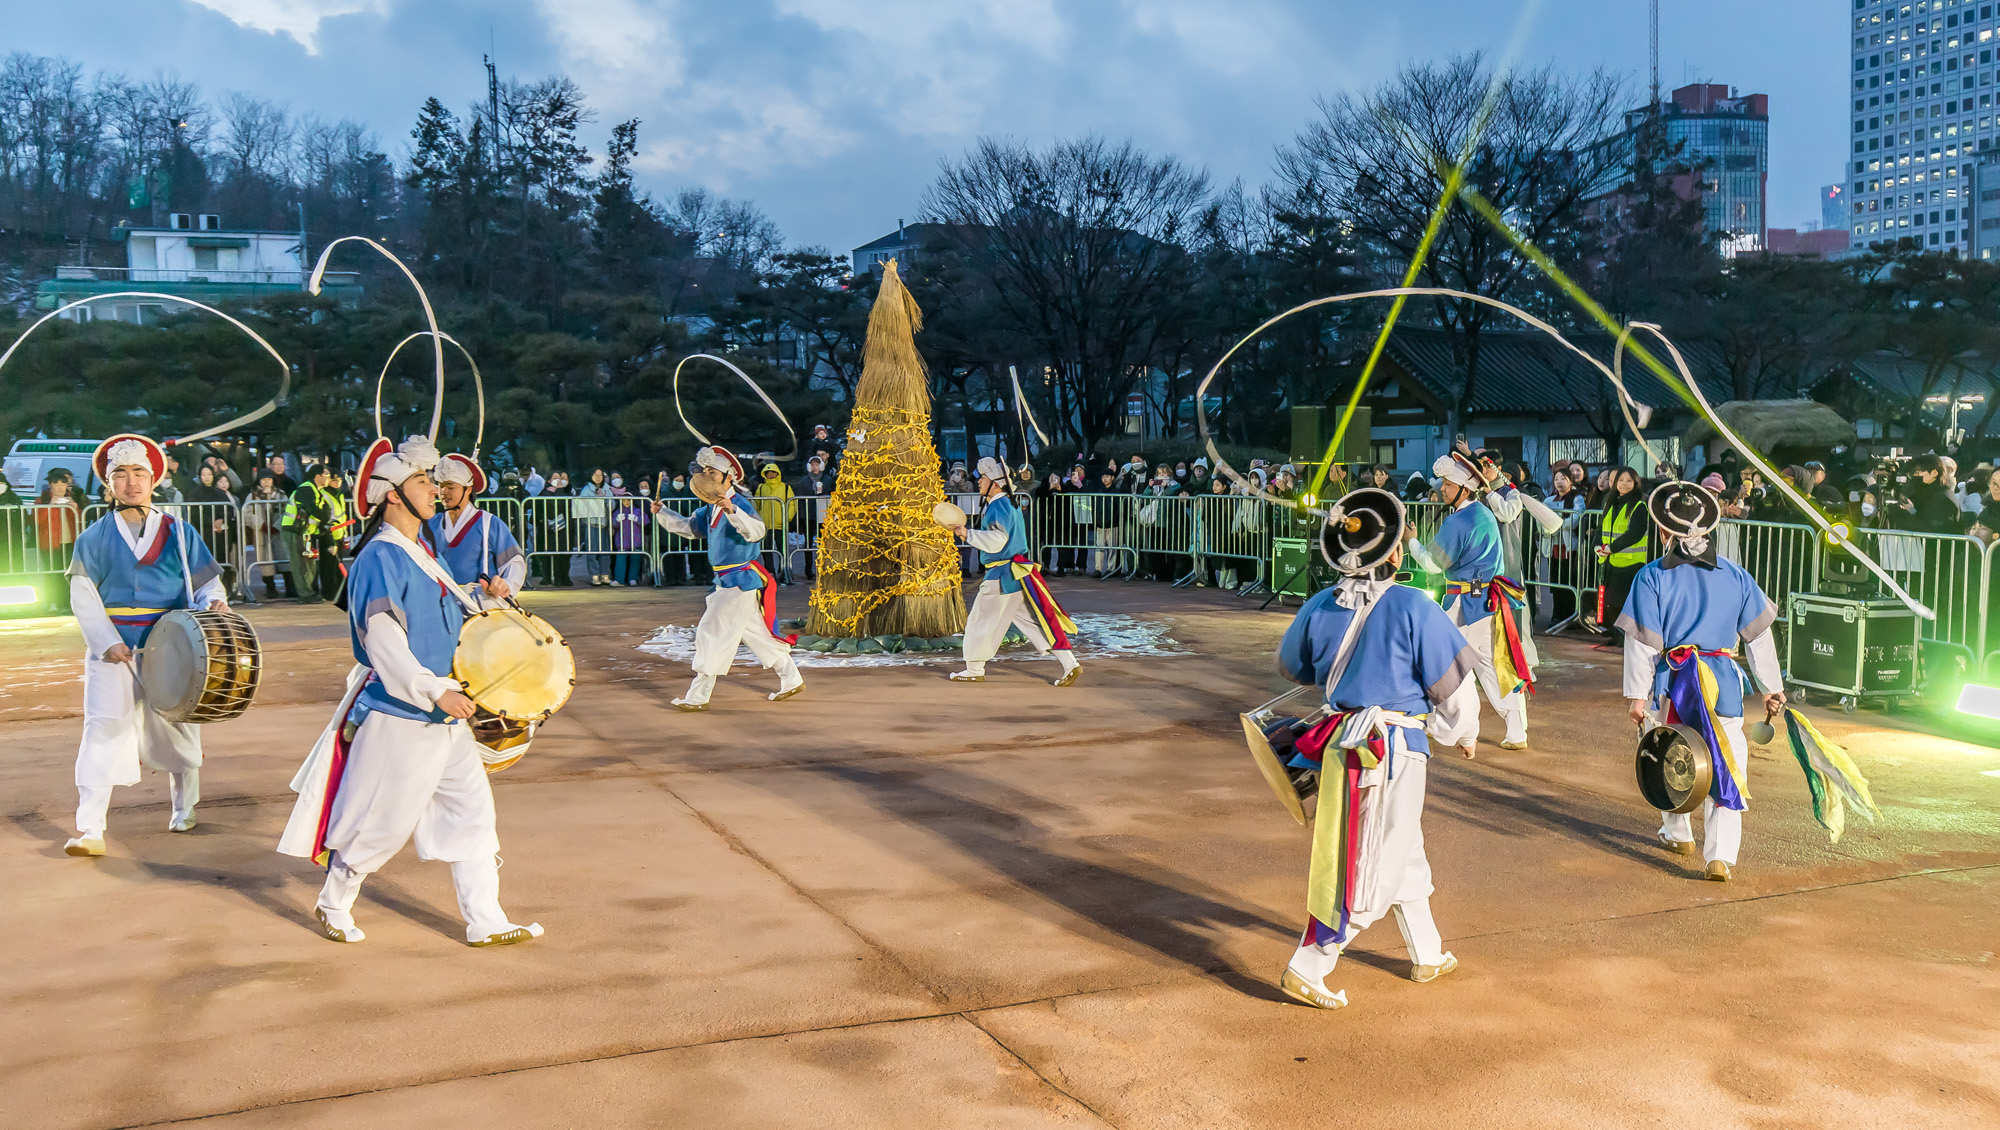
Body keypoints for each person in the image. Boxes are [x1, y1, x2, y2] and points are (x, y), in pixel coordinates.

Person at [278, 436, 542, 946]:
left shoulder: (422, 550)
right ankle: (333, 902)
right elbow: (383, 637)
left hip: (445, 715)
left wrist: (482, 605)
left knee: (473, 815)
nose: (434, 488)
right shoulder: (380, 555)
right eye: (423, 480)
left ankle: (486, 921)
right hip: (403, 713)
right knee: (381, 822)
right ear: (394, 494)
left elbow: (441, 615)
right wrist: (431, 689)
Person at [1270, 487, 1480, 1009]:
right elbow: (1454, 688)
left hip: (1342, 741)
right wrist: (1464, 734)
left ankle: (1427, 951)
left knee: (1399, 847)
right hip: (1390, 748)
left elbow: (1294, 665)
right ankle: (1311, 961)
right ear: (1395, 553)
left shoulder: (1321, 603)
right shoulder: (1413, 604)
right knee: (1372, 858)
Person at [61, 435, 229, 856]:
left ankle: (183, 805)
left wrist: (215, 601)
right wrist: (106, 642)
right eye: (121, 473)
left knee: (177, 723)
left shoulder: (180, 531)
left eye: (139, 473)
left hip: (172, 645)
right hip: (112, 651)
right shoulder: (94, 536)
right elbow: (83, 594)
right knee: (102, 728)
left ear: (154, 479)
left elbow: (207, 583)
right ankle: (90, 829)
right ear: (108, 483)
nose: (131, 481)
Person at [1616, 481, 1783, 883]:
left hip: (1674, 684)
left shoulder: (1651, 576)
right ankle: (1721, 856)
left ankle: (1678, 834)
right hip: (1723, 685)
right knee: (1727, 762)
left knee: (1671, 756)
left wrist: (1637, 697)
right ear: (1707, 529)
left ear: (1663, 531)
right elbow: (1759, 637)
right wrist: (1771, 687)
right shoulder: (1737, 576)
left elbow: (1642, 643)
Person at [652, 446, 803, 710]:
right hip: (729, 581)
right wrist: (663, 512)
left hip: (740, 580)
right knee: (757, 635)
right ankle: (792, 679)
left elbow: (757, 532)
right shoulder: (710, 507)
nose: (707, 476)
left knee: (712, 632)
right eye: (705, 472)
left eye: (713, 472)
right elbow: (689, 528)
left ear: (728, 476)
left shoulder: (739, 503)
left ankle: (698, 697)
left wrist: (733, 510)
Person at [1405, 452, 1531, 750]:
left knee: (1443, 663)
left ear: (1463, 487)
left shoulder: (1459, 521)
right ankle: (1516, 731)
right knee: (1493, 665)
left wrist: (1411, 540)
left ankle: (1442, 726)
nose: (1441, 489)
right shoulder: (1483, 512)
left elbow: (1433, 564)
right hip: (1487, 600)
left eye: (1447, 484)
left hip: (1465, 603)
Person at [946, 458, 1081, 686]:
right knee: (1033, 622)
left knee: (980, 621)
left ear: (996, 484)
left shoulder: (998, 505)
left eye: (983, 478)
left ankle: (974, 667)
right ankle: (1069, 663)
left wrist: (967, 534)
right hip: (1017, 575)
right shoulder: (1010, 503)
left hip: (1002, 575)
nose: (978, 481)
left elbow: (998, 541)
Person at [426, 453, 527, 608]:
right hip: (439, 605)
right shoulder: (431, 524)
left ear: (468, 490)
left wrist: (505, 585)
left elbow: (514, 562)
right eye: (441, 486)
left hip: (478, 605)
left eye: (451, 487)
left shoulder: (489, 523)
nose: (444, 492)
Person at [1595, 467, 1649, 637]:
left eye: (1629, 481)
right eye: (1621, 480)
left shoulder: (1639, 505)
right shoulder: (1610, 503)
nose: (1624, 484)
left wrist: (1612, 548)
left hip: (1630, 564)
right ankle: (1616, 634)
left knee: (1625, 603)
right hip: (1610, 561)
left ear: (1636, 483)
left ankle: (1626, 637)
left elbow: (1635, 533)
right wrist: (1597, 546)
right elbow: (1601, 529)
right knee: (1611, 603)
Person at [283, 464, 338, 604]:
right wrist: (324, 522)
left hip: (305, 532)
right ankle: (305, 594)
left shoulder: (317, 492)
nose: (328, 478)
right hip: (295, 531)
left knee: (309, 563)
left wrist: (323, 527)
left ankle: (309, 591)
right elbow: (314, 510)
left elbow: (321, 515)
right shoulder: (306, 489)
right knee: (301, 563)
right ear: (317, 476)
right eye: (326, 475)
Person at [244, 470, 295, 600]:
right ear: (259, 481)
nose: (266, 482)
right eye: (263, 479)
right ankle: (270, 587)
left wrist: (278, 525)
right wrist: (260, 525)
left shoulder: (281, 494)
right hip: (261, 532)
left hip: (279, 531)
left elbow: (288, 511)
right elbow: (247, 512)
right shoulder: (253, 495)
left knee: (284, 556)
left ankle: (290, 587)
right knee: (265, 559)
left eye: (269, 479)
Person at [751, 463, 798, 584]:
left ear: (777, 474)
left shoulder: (785, 487)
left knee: (782, 549)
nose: (770, 475)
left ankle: (783, 571)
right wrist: (758, 519)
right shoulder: (761, 488)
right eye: (768, 473)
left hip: (780, 524)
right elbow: (757, 504)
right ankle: (770, 572)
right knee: (766, 549)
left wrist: (787, 518)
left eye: (773, 472)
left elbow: (792, 504)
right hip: (765, 524)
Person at [35, 469, 85, 572]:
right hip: (50, 543)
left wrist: (75, 508)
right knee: (52, 573)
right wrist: (50, 505)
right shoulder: (42, 500)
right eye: (56, 484)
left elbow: (80, 521)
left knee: (69, 572)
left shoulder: (71, 499)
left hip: (70, 542)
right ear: (49, 485)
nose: (60, 488)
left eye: (63, 484)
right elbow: (36, 521)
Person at [534, 470, 574, 587]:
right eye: (555, 477)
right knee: (548, 553)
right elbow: (538, 510)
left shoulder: (565, 492)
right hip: (548, 529)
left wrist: (561, 490)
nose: (558, 480)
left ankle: (564, 577)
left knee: (564, 553)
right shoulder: (544, 493)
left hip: (564, 529)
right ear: (549, 480)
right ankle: (548, 577)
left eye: (560, 478)